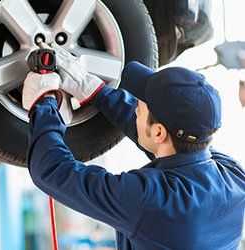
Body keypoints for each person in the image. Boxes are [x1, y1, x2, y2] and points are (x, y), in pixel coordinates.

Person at [22, 44, 245, 249]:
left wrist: (44, 102)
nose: (135, 108)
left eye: (140, 105)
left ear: (159, 132)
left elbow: (51, 171)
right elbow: (171, 147)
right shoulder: (234, 178)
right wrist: (95, 92)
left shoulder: (150, 201)